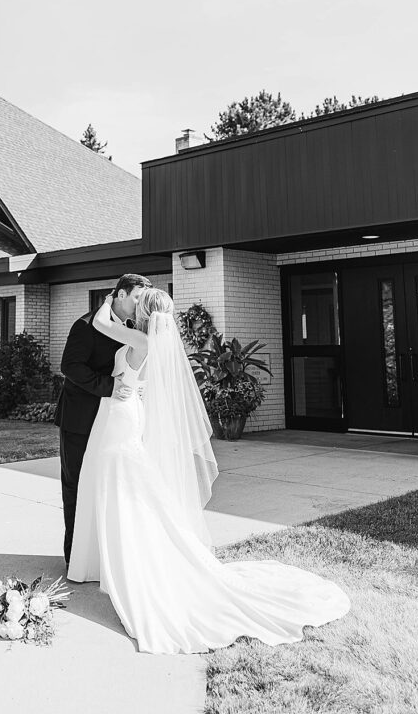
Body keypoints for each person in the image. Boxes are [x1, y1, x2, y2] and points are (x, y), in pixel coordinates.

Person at [67, 286, 350, 655]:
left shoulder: (139, 338)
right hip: (127, 409)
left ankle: (130, 559)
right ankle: (118, 556)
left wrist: (109, 298)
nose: (133, 306)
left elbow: (103, 322)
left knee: (121, 484)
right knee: (127, 485)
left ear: (146, 314)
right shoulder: (157, 343)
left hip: (120, 414)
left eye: (139, 302)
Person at [54, 273, 152, 568]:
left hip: (113, 422)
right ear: (120, 295)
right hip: (80, 420)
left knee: (108, 488)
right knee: (76, 486)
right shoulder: (85, 325)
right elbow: (69, 366)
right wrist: (110, 387)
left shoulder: (132, 328)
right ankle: (76, 555)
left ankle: (102, 554)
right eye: (136, 297)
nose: (139, 304)